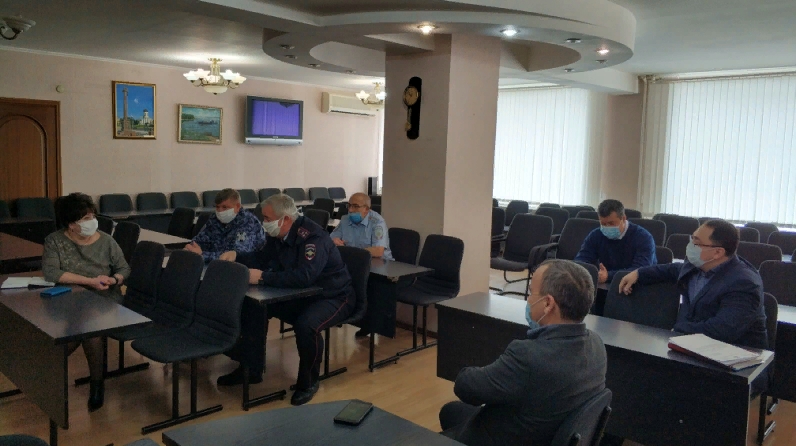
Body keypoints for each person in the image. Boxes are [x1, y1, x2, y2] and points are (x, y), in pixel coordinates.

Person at [439, 260, 607, 446]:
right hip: (542, 431)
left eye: (531, 292)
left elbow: (465, 388)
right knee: (450, 411)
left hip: (501, 438)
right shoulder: (597, 344)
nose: (528, 300)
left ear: (548, 303)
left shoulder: (528, 357)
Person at [217, 194, 355, 406]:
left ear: (286, 219)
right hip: (302, 294)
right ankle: (251, 368)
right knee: (254, 308)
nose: (264, 223)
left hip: (334, 296)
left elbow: (304, 276)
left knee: (307, 325)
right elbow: (262, 258)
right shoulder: (279, 233)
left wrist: (263, 277)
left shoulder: (313, 238)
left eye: (267, 218)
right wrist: (237, 256)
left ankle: (308, 382)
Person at [42, 193, 132, 412]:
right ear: (71, 224)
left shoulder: (107, 241)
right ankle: (45, 366)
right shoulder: (55, 240)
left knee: (90, 327)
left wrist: (114, 279)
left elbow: (124, 269)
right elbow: (51, 272)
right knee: (82, 323)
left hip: (105, 299)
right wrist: (89, 281)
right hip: (69, 298)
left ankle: (95, 384)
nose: (92, 221)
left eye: (92, 216)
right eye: (85, 218)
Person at [619, 219, 767, 349]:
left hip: (734, 357)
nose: (690, 245)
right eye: (692, 238)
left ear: (717, 252)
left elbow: (722, 329)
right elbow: (673, 269)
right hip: (691, 345)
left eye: (696, 242)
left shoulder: (744, 283)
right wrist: (639, 273)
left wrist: (677, 330)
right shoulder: (698, 264)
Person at [574, 199, 656, 315]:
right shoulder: (596, 235)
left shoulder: (643, 237)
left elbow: (640, 270)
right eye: (603, 224)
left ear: (623, 218)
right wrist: (593, 273)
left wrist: (608, 276)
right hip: (604, 289)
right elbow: (581, 260)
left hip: (635, 289)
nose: (607, 227)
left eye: (611, 223)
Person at [185, 188, 265, 262]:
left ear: (237, 206)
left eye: (225, 207)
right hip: (214, 264)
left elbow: (234, 256)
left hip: (242, 268)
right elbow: (199, 241)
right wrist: (191, 249)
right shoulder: (214, 219)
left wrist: (202, 254)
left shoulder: (248, 222)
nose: (220, 211)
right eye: (217, 207)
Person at [330, 192, 393, 260]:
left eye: (356, 206)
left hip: (379, 262)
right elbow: (330, 240)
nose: (350, 210)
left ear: (366, 209)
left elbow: (378, 251)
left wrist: (350, 252)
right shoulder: (345, 219)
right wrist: (334, 241)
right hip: (353, 259)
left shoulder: (377, 222)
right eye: (349, 205)